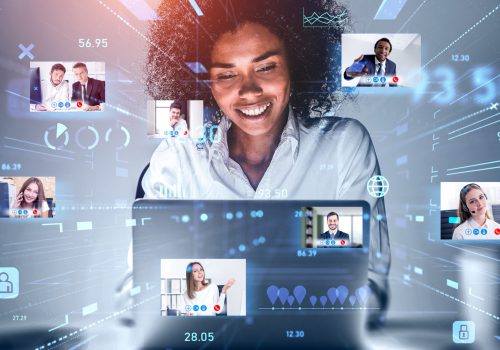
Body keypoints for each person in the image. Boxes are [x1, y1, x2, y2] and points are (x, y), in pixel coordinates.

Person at [141, 0, 390, 325]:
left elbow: (369, 290)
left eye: (266, 67)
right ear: (208, 86)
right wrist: (293, 284)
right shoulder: (178, 157)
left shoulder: (343, 147)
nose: (248, 90)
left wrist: (230, 290)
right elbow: (145, 292)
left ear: (296, 65)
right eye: (227, 74)